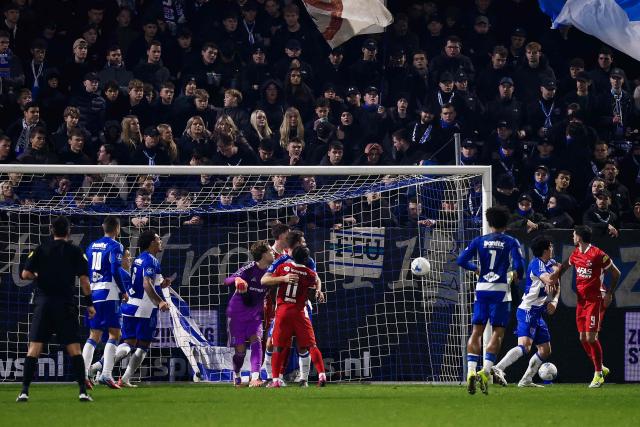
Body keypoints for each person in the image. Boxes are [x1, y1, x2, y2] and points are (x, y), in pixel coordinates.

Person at [17, 216, 94, 402]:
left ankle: (24, 392)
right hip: (65, 304)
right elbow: (84, 281)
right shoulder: (76, 251)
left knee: (34, 348)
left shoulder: (40, 249)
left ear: (52, 231)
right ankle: (83, 391)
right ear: (68, 231)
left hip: (43, 304)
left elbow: (25, 274)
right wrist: (90, 303)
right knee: (75, 349)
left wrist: (38, 274)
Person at [456, 206, 525, 395]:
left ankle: (470, 371)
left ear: (489, 222)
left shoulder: (480, 240)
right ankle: (485, 370)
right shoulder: (511, 241)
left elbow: (461, 260)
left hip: (482, 289)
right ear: (506, 223)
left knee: (476, 331)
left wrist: (476, 269)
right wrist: (518, 275)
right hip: (500, 290)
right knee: (497, 332)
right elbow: (519, 265)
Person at [555, 225, 621, 388]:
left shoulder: (597, 254)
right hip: (581, 301)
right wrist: (554, 276)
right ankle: (600, 368)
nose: (572, 236)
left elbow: (616, 273)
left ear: (579, 237)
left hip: (595, 300)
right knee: (582, 338)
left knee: (591, 338)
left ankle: (598, 373)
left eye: (574, 234)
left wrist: (610, 293)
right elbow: (564, 266)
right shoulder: (576, 253)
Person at [491, 236, 560, 387]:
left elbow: (556, 284)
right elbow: (550, 280)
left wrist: (554, 300)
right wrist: (560, 270)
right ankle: (498, 368)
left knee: (545, 350)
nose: (553, 249)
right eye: (551, 246)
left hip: (537, 313)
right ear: (545, 250)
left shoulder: (551, 263)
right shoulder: (537, 264)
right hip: (527, 310)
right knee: (525, 346)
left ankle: (526, 380)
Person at [261, 229, 321, 386]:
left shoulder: (309, 261)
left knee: (303, 345)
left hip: (302, 307)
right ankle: (271, 377)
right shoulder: (281, 261)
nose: (305, 243)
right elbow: (264, 280)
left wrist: (319, 289)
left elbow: (316, 278)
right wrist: (284, 278)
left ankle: (303, 379)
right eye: (303, 241)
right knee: (272, 342)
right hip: (282, 307)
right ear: (295, 244)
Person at [118, 230, 173, 387]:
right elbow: (146, 283)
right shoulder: (151, 260)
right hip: (145, 309)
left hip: (131, 306)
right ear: (151, 243)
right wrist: (160, 302)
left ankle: (100, 369)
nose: (160, 241)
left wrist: (162, 284)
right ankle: (125, 378)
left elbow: (148, 282)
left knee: (128, 343)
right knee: (143, 346)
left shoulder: (138, 259)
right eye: (158, 239)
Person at [82, 217, 128, 389]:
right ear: (117, 228)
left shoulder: (91, 246)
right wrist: (123, 291)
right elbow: (116, 269)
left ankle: (84, 373)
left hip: (93, 293)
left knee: (94, 335)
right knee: (115, 334)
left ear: (103, 227)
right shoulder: (116, 246)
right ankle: (106, 375)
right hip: (108, 292)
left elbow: (85, 270)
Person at [224, 240, 275, 387]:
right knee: (240, 352)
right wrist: (237, 279)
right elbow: (227, 280)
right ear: (264, 255)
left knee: (256, 341)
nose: (273, 253)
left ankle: (254, 378)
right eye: (271, 251)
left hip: (255, 314)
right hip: (237, 313)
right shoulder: (250, 269)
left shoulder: (272, 271)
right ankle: (237, 374)